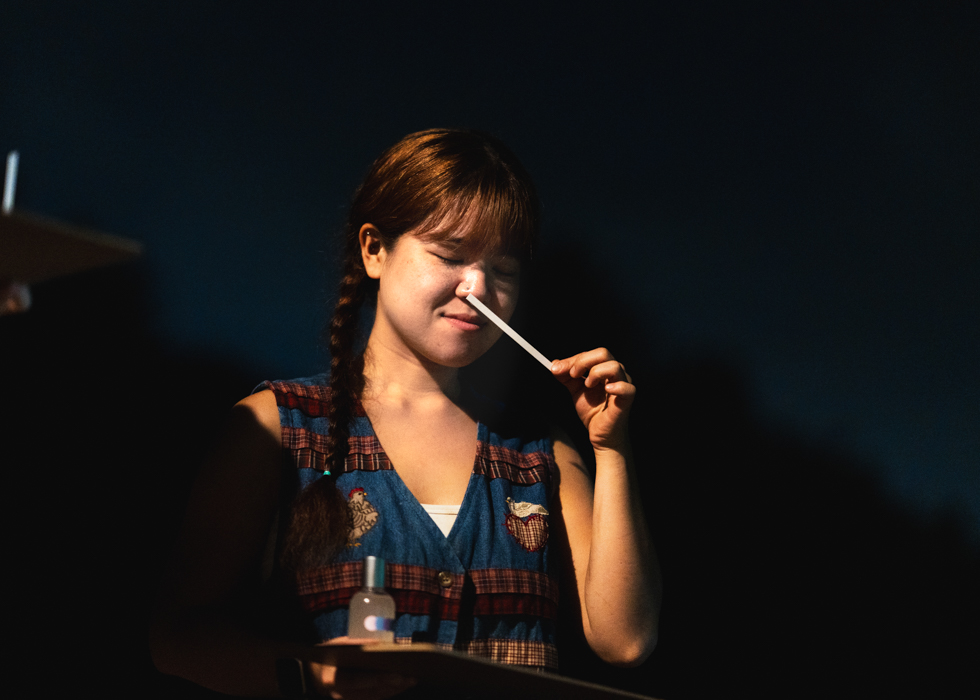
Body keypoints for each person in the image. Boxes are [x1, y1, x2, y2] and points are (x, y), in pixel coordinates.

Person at [150, 128, 661, 699]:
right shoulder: (275, 428)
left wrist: (611, 449)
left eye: (504, 270)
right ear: (375, 250)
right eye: (450, 256)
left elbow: (626, 640)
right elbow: (178, 637)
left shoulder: (543, 454)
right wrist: (312, 675)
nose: (478, 287)